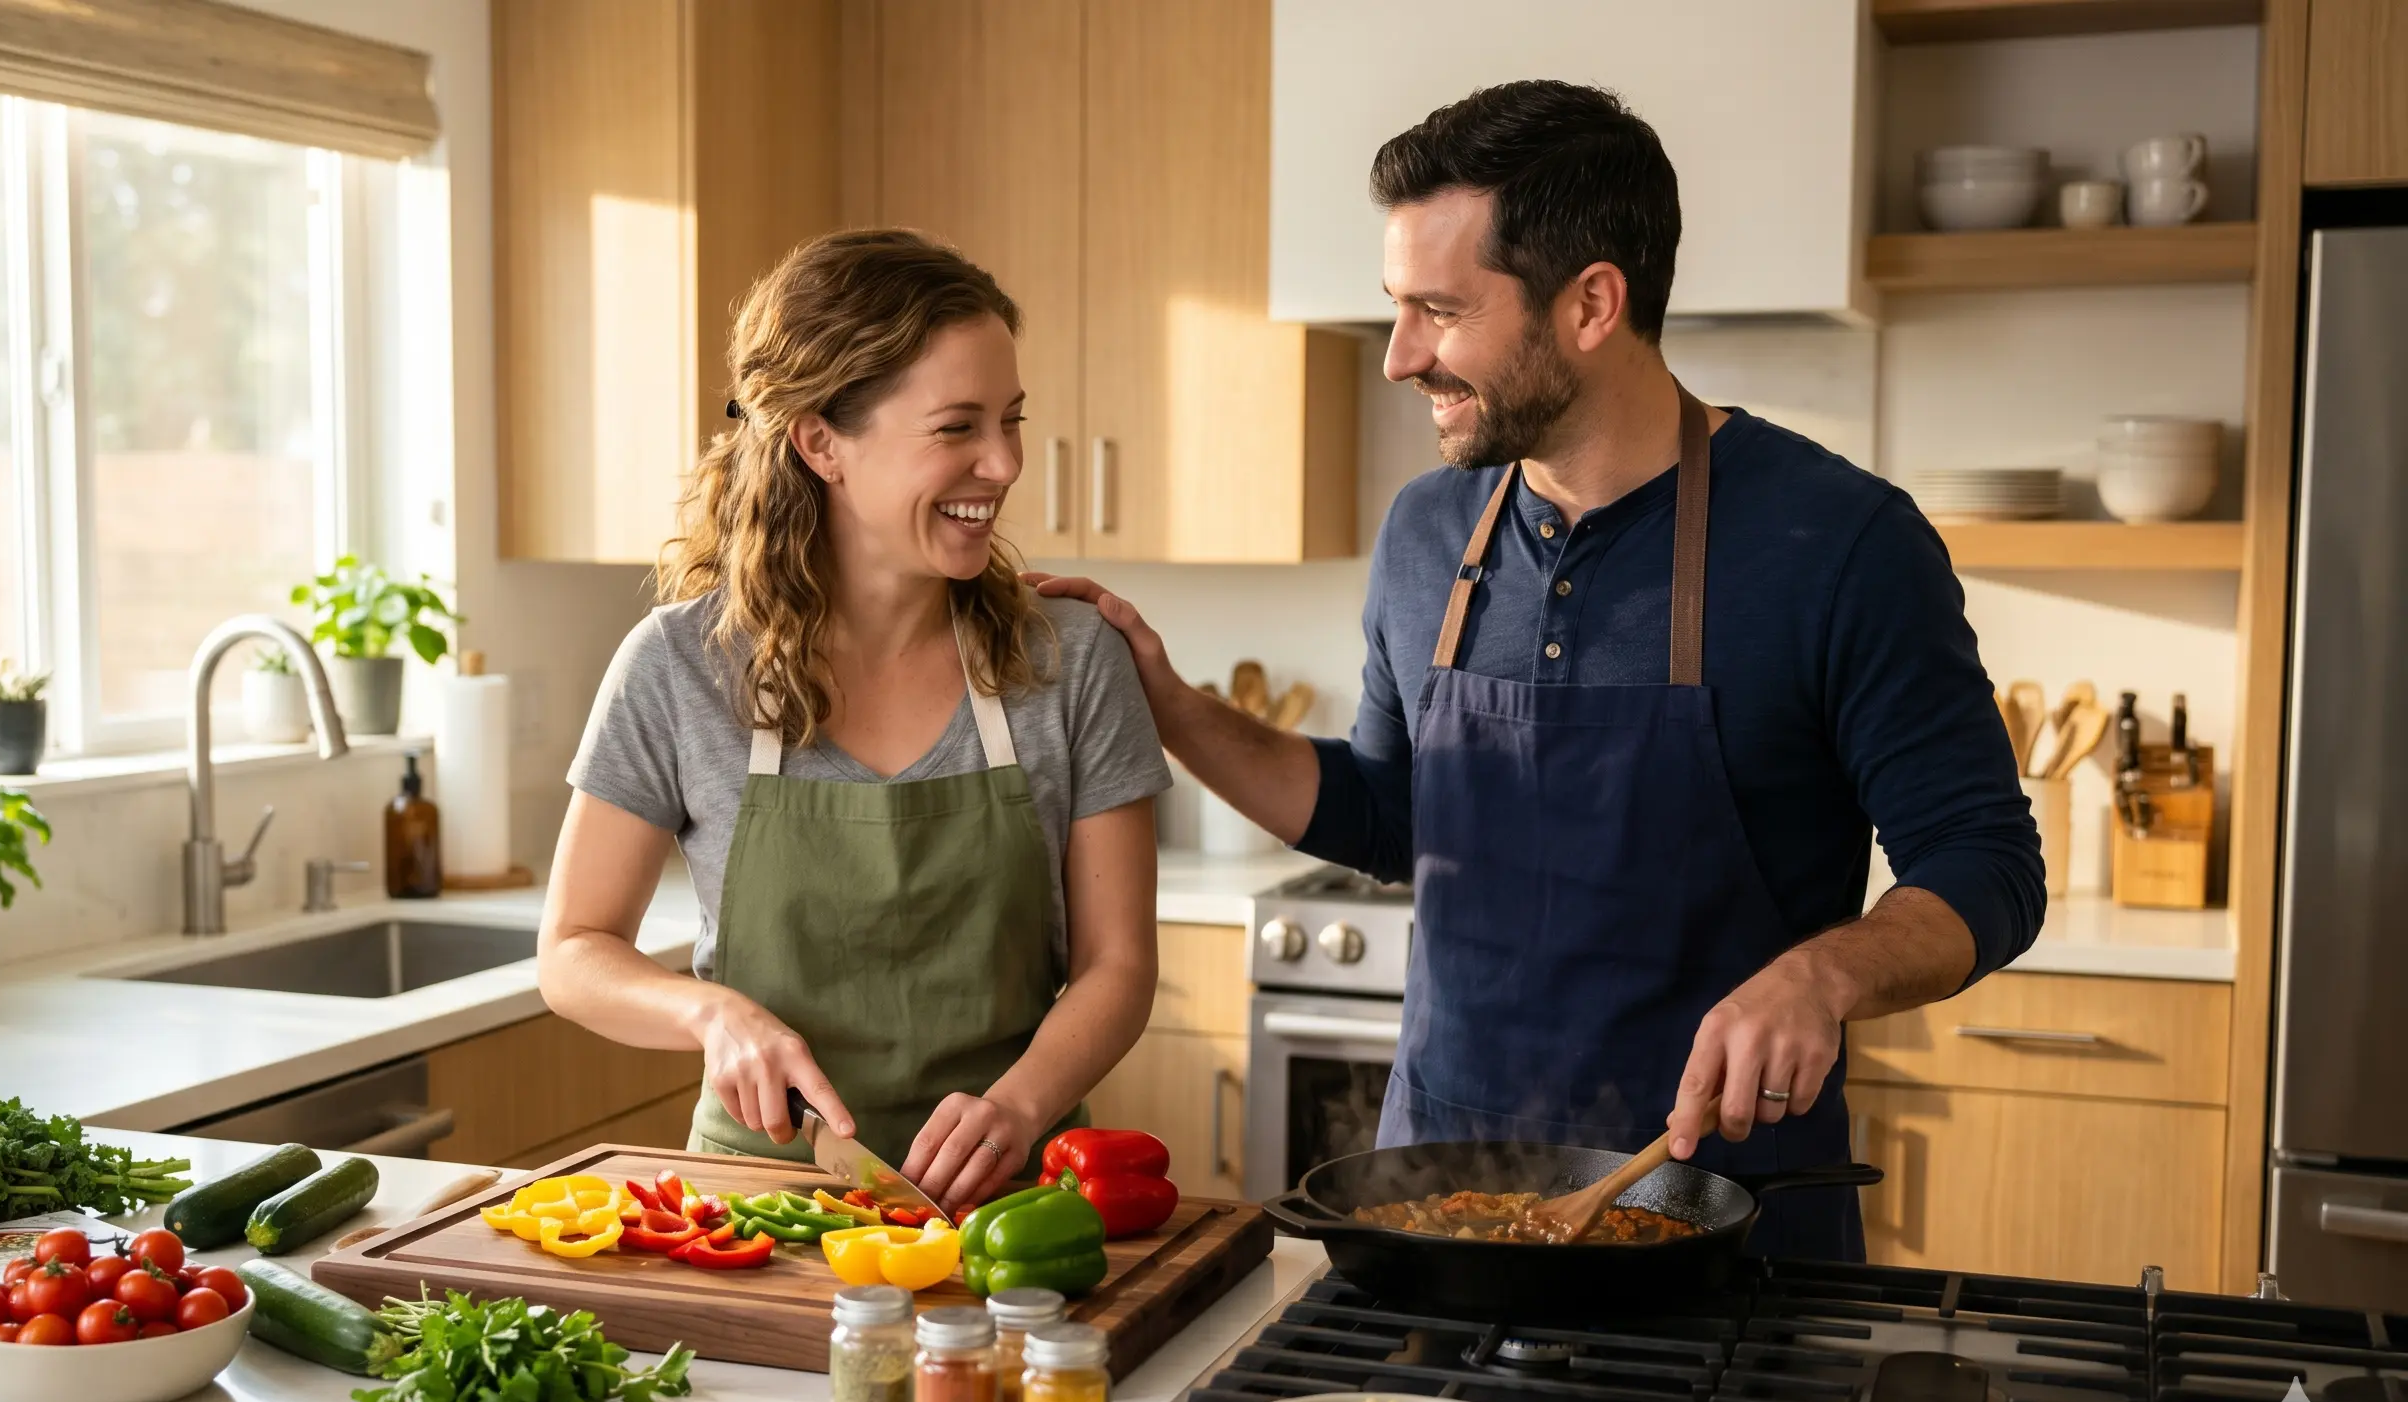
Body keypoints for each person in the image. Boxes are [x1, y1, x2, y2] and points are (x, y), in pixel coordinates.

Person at [1036, 83, 2042, 1259]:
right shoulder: (1426, 533)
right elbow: (1389, 811)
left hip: (1722, 1224)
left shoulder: (1843, 545)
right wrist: (1170, 703)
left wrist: (1825, 975)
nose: (1399, 358)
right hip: (1445, 1207)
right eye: (1394, 309)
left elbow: (1986, 865)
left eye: (1439, 311)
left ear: (1591, 305)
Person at [537, 230, 1171, 1214]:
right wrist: (711, 1015)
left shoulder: (1069, 660)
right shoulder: (679, 667)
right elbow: (574, 951)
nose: (1001, 464)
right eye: (956, 427)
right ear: (821, 441)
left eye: (1011, 420)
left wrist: (1018, 1106)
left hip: (1013, 1203)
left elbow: (1119, 964)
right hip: (753, 1204)